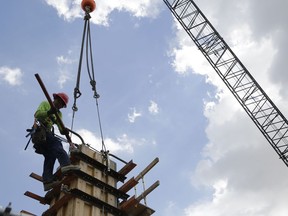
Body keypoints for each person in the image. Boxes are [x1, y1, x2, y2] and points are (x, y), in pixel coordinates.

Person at [33, 92, 79, 191]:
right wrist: (49, 112)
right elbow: (37, 115)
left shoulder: (59, 113)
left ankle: (48, 182)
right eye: (59, 102)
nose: (60, 105)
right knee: (57, 143)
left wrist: (64, 130)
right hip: (41, 133)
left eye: (62, 105)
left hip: (46, 137)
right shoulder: (46, 104)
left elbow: (60, 126)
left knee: (51, 156)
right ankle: (66, 164)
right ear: (55, 99)